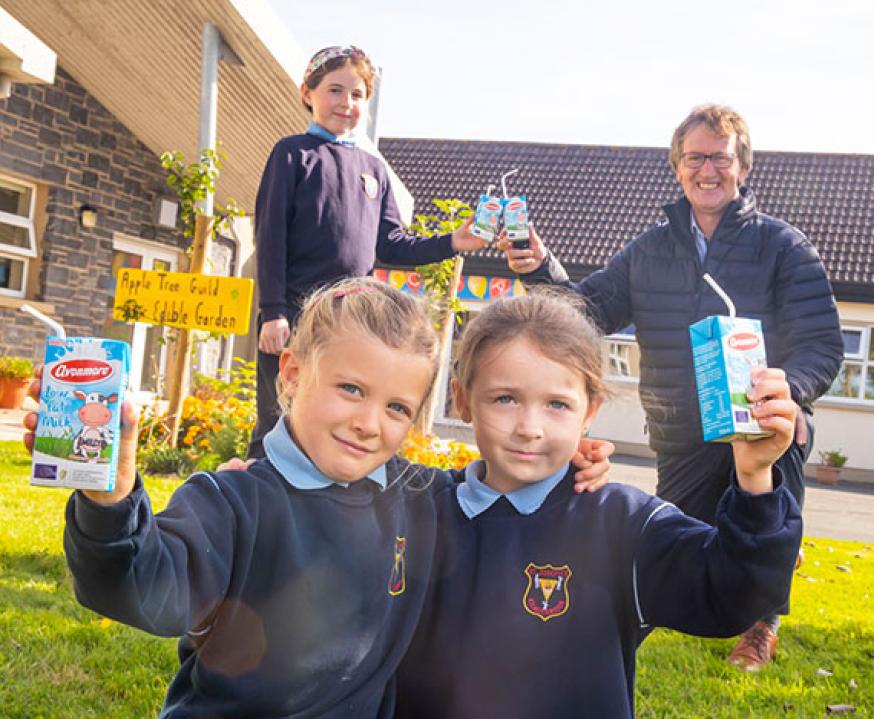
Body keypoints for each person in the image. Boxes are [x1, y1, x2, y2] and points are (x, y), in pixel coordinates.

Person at [22, 279, 611, 719]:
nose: (368, 423)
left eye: (397, 408)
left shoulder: (421, 498)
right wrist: (112, 499)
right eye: (350, 389)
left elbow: (496, 492)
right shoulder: (231, 499)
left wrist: (565, 459)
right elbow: (143, 591)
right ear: (295, 372)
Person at [500, 103, 843, 670]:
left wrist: (790, 387)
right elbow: (589, 310)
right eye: (694, 159)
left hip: (758, 424)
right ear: (677, 168)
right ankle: (621, 627)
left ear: (743, 167)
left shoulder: (784, 247)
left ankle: (761, 625)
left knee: (768, 517)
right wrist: (541, 268)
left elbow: (821, 344)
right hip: (681, 424)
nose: (707, 170)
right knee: (666, 538)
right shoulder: (649, 250)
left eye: (720, 158)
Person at [394, 291, 803, 718]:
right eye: (505, 399)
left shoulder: (623, 525)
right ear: (461, 399)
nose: (529, 428)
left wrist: (755, 477)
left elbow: (733, 593)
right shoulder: (417, 507)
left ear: (590, 410)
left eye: (557, 405)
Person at [250, 45, 488, 458]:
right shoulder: (292, 154)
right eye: (335, 90)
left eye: (357, 95)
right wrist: (273, 311)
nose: (346, 103)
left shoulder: (373, 169)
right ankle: (252, 499)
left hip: (348, 317)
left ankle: (319, 502)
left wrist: (452, 242)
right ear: (308, 93)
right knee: (279, 415)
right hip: (293, 314)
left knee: (332, 417)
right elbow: (269, 236)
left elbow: (392, 243)